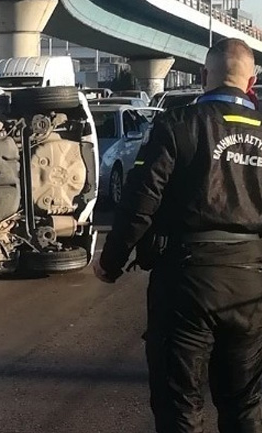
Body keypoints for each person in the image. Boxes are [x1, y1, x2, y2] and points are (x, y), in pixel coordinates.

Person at [94, 37, 262, 433]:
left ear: (205, 77)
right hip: (252, 282)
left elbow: (141, 199)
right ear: (250, 83)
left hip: (187, 282)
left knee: (179, 409)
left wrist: (111, 261)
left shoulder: (178, 124)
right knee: (243, 407)